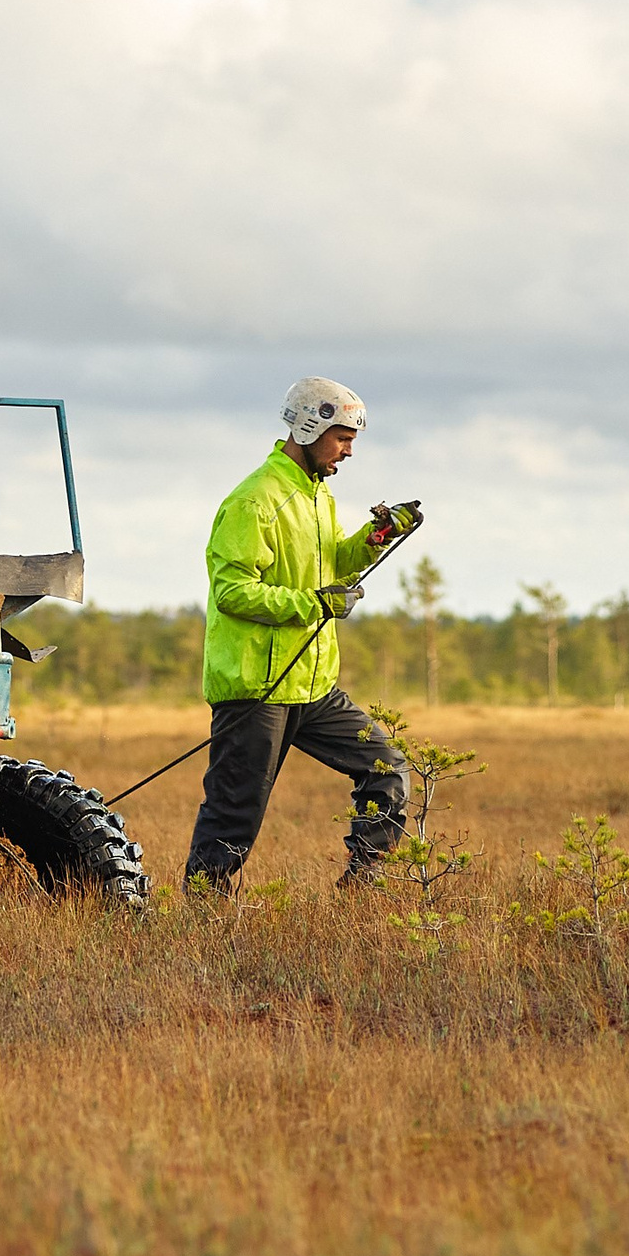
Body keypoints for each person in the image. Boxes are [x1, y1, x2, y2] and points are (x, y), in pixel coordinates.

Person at [185, 378, 418, 892]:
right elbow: (233, 591)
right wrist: (312, 605)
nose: (349, 451)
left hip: (313, 686)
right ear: (309, 426)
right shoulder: (253, 501)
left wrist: (378, 535)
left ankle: (361, 892)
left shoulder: (318, 497)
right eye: (343, 438)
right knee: (233, 816)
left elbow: (338, 561)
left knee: (388, 768)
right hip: (256, 688)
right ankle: (201, 916)